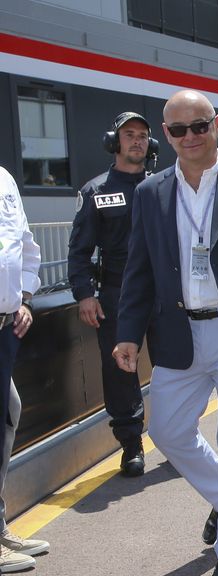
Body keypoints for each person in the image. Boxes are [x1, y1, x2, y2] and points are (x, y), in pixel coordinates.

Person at [112, 90, 218, 576]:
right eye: (177, 130)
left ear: (216, 125)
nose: (189, 137)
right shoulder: (151, 192)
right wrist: (128, 334)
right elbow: (138, 269)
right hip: (178, 331)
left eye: (198, 126)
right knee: (166, 430)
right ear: (166, 134)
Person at [67, 111, 155, 477]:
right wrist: (85, 294)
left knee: (179, 365)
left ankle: (182, 435)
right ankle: (131, 445)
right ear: (114, 142)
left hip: (165, 290)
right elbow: (78, 251)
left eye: (143, 135)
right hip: (116, 292)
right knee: (121, 369)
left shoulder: (164, 184)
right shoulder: (96, 191)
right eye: (129, 134)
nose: (136, 141)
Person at [0, 166, 48, 573]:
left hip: (5, 326)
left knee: (8, 415)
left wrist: (25, 296)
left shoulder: (4, 178)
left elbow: (25, 246)